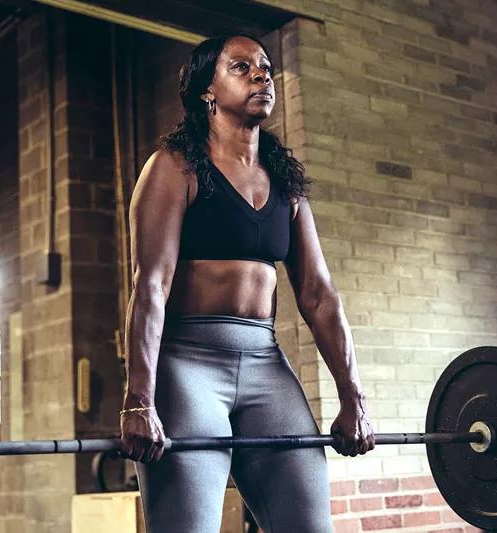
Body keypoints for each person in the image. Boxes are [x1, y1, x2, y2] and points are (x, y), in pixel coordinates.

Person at [119, 33, 375, 533]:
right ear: (206, 91)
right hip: (187, 366)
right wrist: (139, 400)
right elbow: (150, 287)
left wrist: (354, 399)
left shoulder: (286, 184)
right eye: (241, 67)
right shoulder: (174, 168)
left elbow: (319, 296)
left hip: (265, 365)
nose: (262, 75)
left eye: (265, 66)